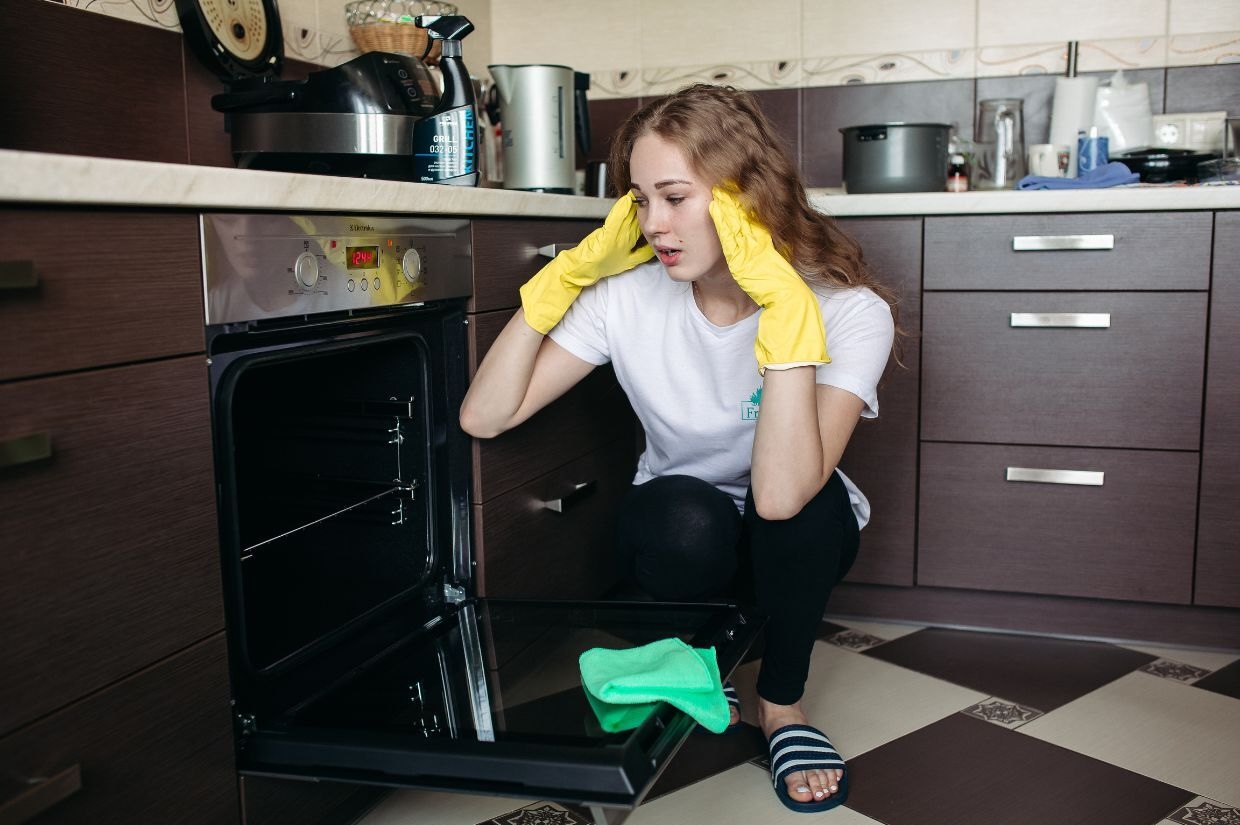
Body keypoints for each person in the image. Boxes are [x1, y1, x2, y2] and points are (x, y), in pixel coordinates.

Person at [459, 83, 897, 814]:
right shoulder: (627, 297)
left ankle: (781, 706)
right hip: (683, 539)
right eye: (638, 199)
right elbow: (486, 414)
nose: (653, 225)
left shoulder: (847, 310)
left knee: (808, 506)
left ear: (743, 198)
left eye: (674, 197)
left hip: (791, 545)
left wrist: (786, 313)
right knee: (680, 514)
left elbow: (783, 495)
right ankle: (699, 653)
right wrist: (562, 278)